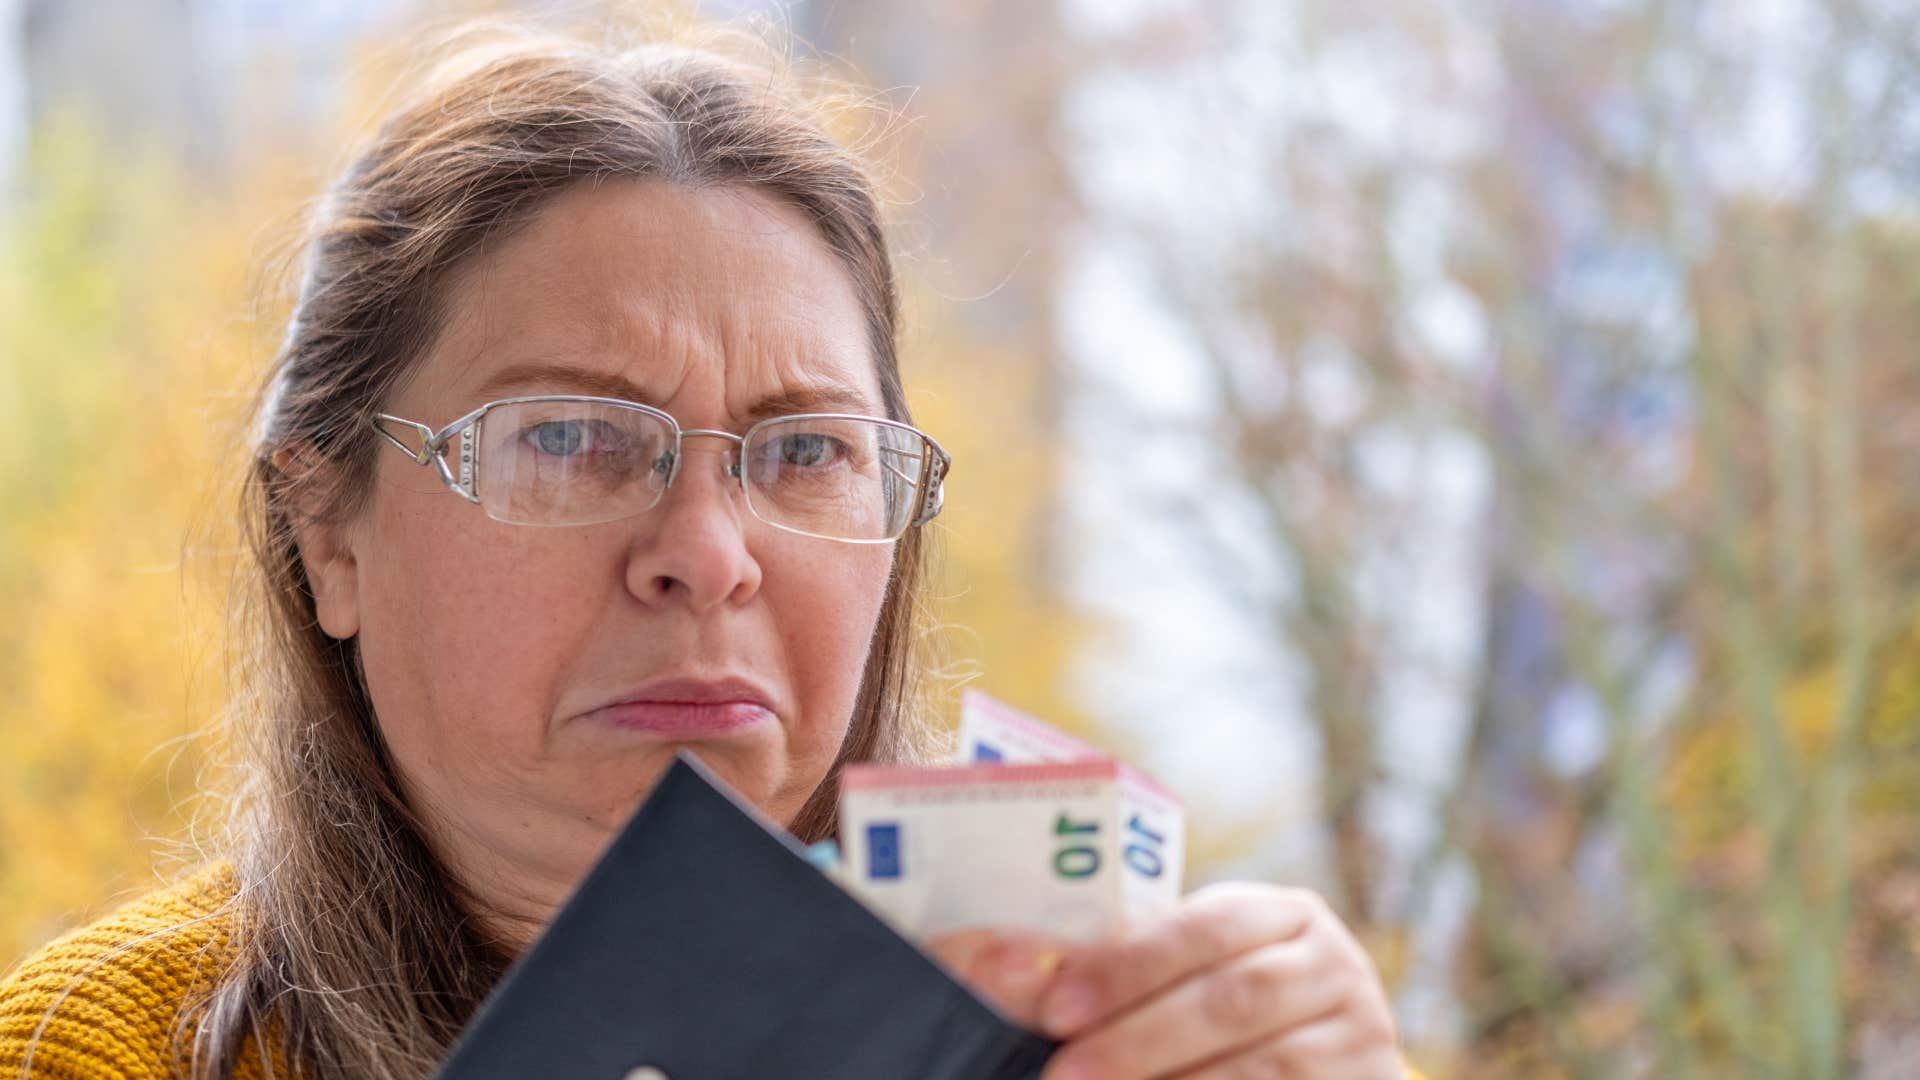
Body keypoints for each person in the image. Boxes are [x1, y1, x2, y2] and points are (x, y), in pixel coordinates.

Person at [0, 23, 1410, 1080]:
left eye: (805, 453)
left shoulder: (1091, 1026)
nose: (707, 554)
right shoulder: (97, 1051)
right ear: (329, 533)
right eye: (567, 439)